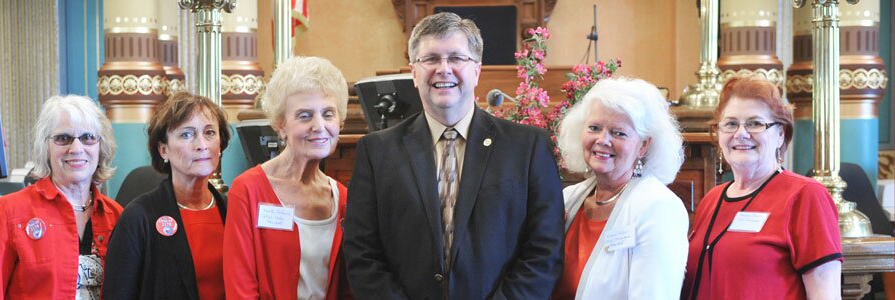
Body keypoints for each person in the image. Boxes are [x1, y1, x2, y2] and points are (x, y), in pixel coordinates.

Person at [343, 12, 565, 299]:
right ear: (414, 72)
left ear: (476, 70)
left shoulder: (528, 147)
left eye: (456, 58)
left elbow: (544, 251)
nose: (443, 69)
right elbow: (362, 252)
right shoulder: (376, 152)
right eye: (431, 59)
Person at [682, 76, 842, 299]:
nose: (741, 133)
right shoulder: (712, 199)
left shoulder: (805, 195)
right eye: (730, 124)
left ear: (780, 135)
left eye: (755, 123)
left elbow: (826, 294)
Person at [224, 56, 351, 299]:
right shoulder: (248, 190)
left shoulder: (343, 198)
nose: (319, 126)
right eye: (304, 115)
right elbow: (240, 290)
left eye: (328, 114)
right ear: (281, 125)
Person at [0, 95, 123, 299]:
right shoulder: (8, 212)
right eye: (63, 138)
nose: (76, 148)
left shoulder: (117, 216)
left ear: (100, 147)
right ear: (46, 148)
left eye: (88, 137)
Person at [553, 77, 689, 299]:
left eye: (618, 133)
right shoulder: (568, 198)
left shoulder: (658, 208)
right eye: (594, 128)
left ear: (643, 146)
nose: (602, 140)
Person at [103, 92, 231, 299]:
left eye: (209, 133)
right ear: (163, 150)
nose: (202, 144)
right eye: (187, 134)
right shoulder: (138, 217)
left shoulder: (234, 210)